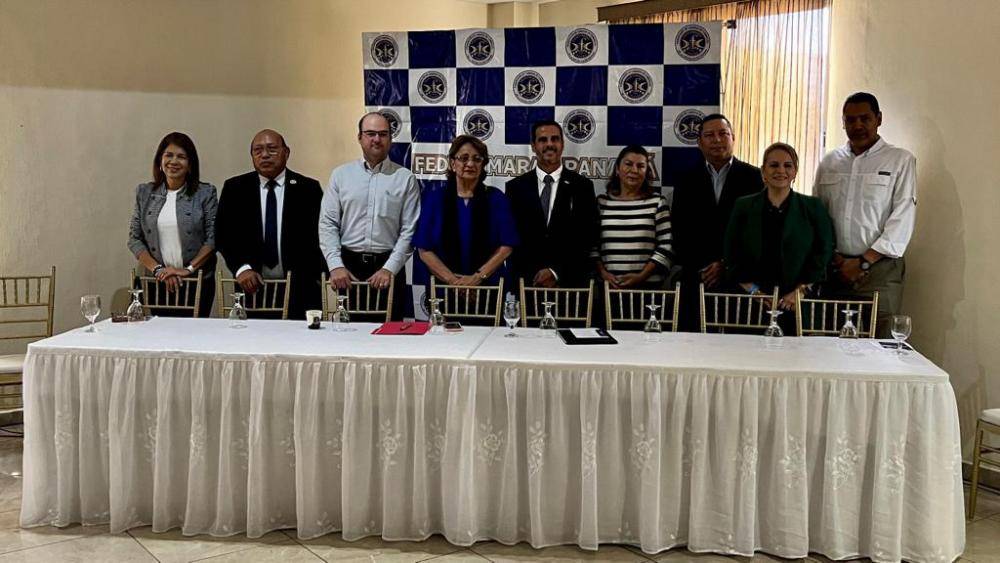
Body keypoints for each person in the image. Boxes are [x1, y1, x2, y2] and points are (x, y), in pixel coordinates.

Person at [814, 92, 916, 337]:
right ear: (843, 123)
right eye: (850, 120)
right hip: (836, 271)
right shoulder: (829, 162)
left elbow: (903, 216)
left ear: (878, 119)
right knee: (831, 343)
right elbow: (818, 215)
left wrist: (863, 262)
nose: (857, 125)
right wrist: (836, 258)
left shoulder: (900, 160)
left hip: (880, 271)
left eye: (865, 118)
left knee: (883, 345)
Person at [215, 129, 326, 320]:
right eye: (258, 150)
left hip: (300, 291)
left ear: (286, 152)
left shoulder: (309, 189)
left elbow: (323, 235)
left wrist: (316, 273)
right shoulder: (235, 188)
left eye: (272, 149)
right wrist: (242, 268)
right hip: (251, 288)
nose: (265, 155)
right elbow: (223, 235)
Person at [724, 143, 834, 333]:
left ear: (795, 172)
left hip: (797, 303)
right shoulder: (743, 206)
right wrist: (755, 292)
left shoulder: (813, 207)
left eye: (788, 165)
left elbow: (823, 253)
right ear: (763, 171)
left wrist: (799, 291)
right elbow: (731, 254)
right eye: (774, 165)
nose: (781, 170)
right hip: (751, 304)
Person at [320, 112, 420, 320]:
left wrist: (389, 269)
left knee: (390, 334)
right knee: (347, 332)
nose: (376, 139)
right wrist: (336, 265)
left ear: (391, 139)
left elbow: (409, 230)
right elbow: (328, 223)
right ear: (359, 137)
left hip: (389, 266)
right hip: (348, 268)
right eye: (370, 133)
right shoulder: (341, 175)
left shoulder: (405, 178)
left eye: (383, 134)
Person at [671, 114, 765, 331]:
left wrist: (725, 264)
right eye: (709, 135)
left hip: (741, 280)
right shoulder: (686, 180)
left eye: (723, 134)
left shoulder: (755, 178)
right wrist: (706, 267)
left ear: (733, 138)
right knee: (692, 344)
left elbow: (758, 233)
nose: (717, 140)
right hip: (697, 278)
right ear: (699, 142)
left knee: (736, 345)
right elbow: (680, 231)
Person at [413, 136, 519, 319]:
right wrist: (455, 282)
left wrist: (476, 278)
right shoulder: (435, 199)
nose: (470, 163)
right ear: (452, 163)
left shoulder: (496, 198)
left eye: (477, 159)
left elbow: (506, 246)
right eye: (463, 158)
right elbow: (424, 250)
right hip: (444, 291)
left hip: (486, 291)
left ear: (483, 164)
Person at [127, 132, 218, 318]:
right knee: (159, 333)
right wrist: (159, 270)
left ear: (190, 164)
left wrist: (187, 269)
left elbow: (213, 237)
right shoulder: (144, 193)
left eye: (181, 156)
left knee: (195, 334)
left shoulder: (205, 193)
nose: (174, 161)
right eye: (168, 155)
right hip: (156, 281)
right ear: (160, 161)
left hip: (196, 280)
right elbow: (134, 239)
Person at [505, 120, 599, 288]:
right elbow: (512, 238)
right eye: (542, 140)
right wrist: (532, 274)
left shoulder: (582, 186)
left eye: (555, 139)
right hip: (527, 284)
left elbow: (587, 237)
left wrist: (555, 272)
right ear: (533, 146)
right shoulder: (515, 188)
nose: (549, 144)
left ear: (562, 144)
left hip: (569, 285)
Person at [593, 145, 674, 290]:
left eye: (640, 166)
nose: (634, 170)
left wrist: (641, 276)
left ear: (647, 172)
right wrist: (603, 273)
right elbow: (592, 245)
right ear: (617, 169)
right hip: (609, 288)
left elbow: (666, 246)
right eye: (628, 164)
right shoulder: (602, 202)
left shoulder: (657, 202)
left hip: (648, 289)